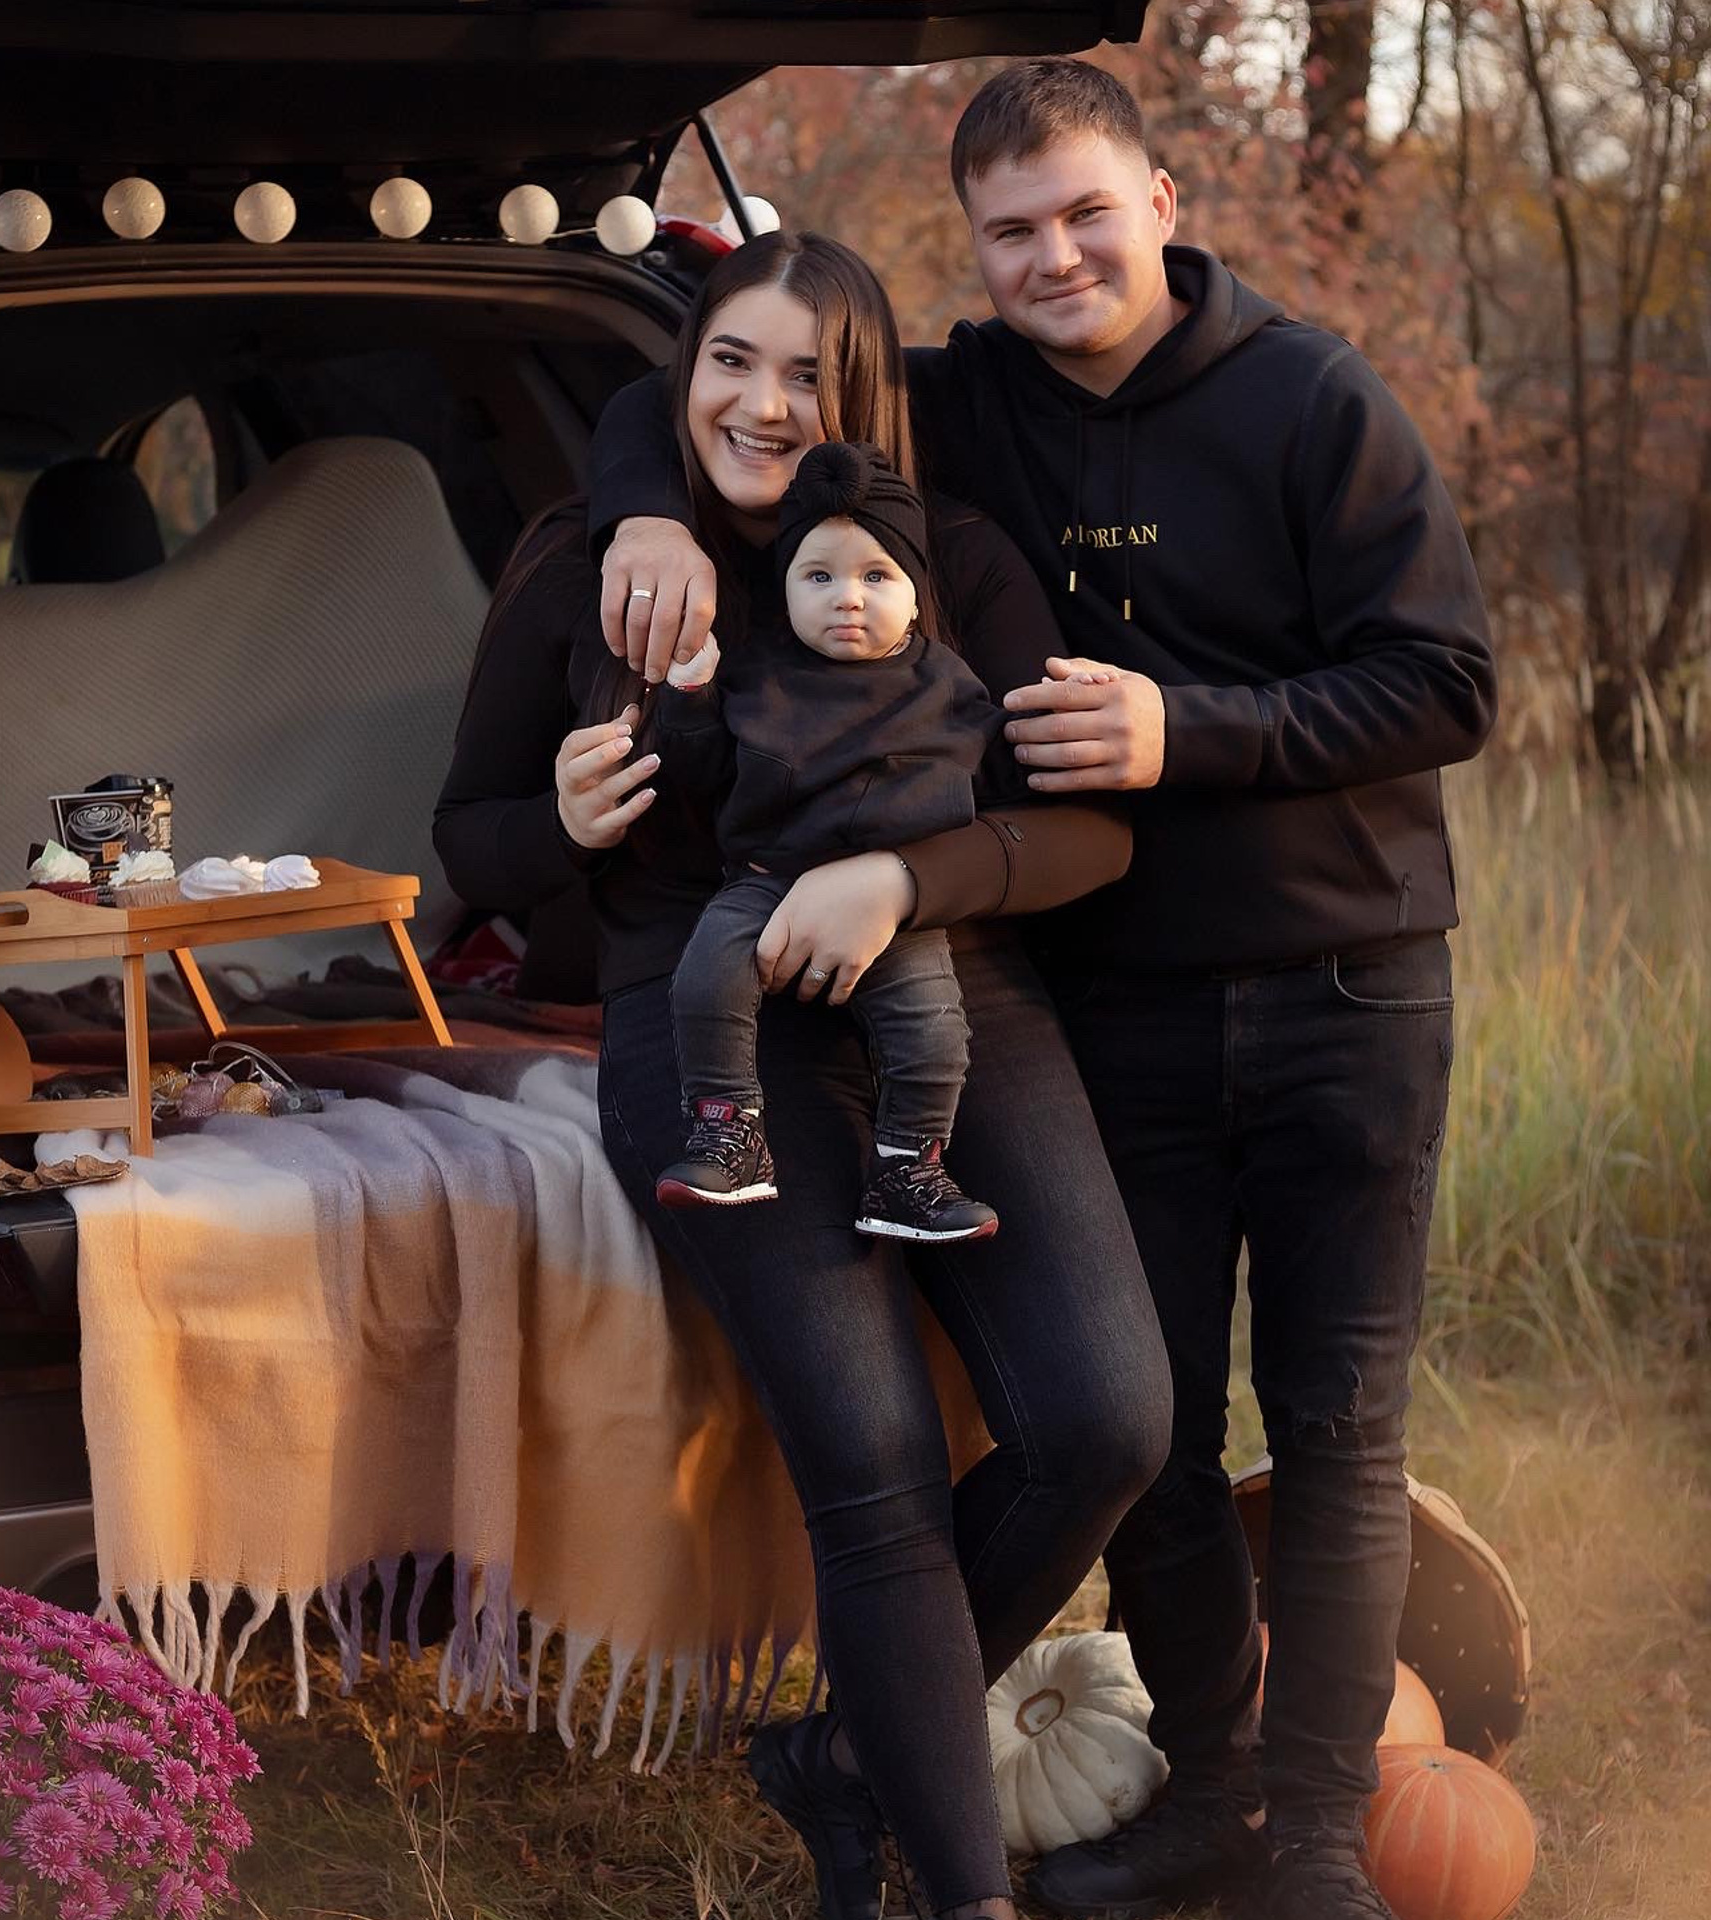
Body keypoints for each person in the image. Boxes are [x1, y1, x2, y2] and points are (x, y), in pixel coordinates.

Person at [586, 60, 1498, 1920]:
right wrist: (639, 513)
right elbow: (711, 399)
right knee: (1144, 1428)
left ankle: (1317, 1838)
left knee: (1336, 1426)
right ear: (975, 249)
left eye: (1088, 212)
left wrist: (1192, 730)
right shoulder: (957, 409)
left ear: (1161, 197)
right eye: (1012, 232)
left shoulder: (1312, 397)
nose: (1056, 255)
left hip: (1347, 981)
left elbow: (1449, 683)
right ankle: (1206, 1787)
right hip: (1119, 1000)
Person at [434, 228, 1172, 1920]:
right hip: (711, 1034)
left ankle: (849, 1754)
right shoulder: (598, 572)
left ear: (865, 403)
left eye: (808, 376)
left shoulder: (954, 562)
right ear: (682, 376)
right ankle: (955, 1893)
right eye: (729, 363)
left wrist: (910, 877)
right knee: (878, 1471)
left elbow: (1085, 832)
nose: (763, 407)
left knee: (1110, 1419)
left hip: (953, 996)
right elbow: (463, 832)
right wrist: (554, 828)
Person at [655, 439, 1007, 1243]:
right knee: (705, 977)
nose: (847, 598)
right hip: (765, 876)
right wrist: (689, 692)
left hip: (901, 906)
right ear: (784, 593)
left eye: (876, 576)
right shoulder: (757, 676)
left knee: (934, 1030)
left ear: (918, 595)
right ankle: (728, 1132)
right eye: (819, 577)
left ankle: (907, 1169)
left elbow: (1002, 776)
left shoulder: (950, 683)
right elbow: (700, 775)